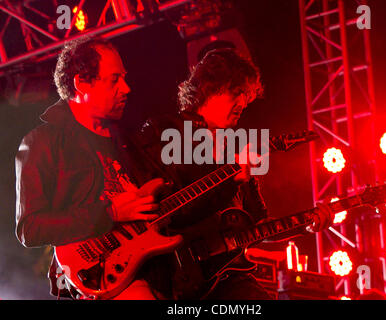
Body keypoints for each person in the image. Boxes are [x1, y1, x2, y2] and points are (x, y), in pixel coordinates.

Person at [133, 48, 334, 299]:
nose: (243, 103)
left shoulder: (237, 150)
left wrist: (305, 225)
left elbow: (257, 228)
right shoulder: (165, 131)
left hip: (229, 276)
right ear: (210, 87)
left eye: (247, 96)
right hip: (178, 275)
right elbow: (172, 209)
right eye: (237, 93)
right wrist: (230, 181)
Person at [15, 37, 162, 300]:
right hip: (103, 277)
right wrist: (111, 213)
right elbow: (30, 228)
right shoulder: (42, 142)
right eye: (114, 79)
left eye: (124, 78)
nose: (126, 88)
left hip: (156, 268)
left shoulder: (126, 139)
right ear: (81, 83)